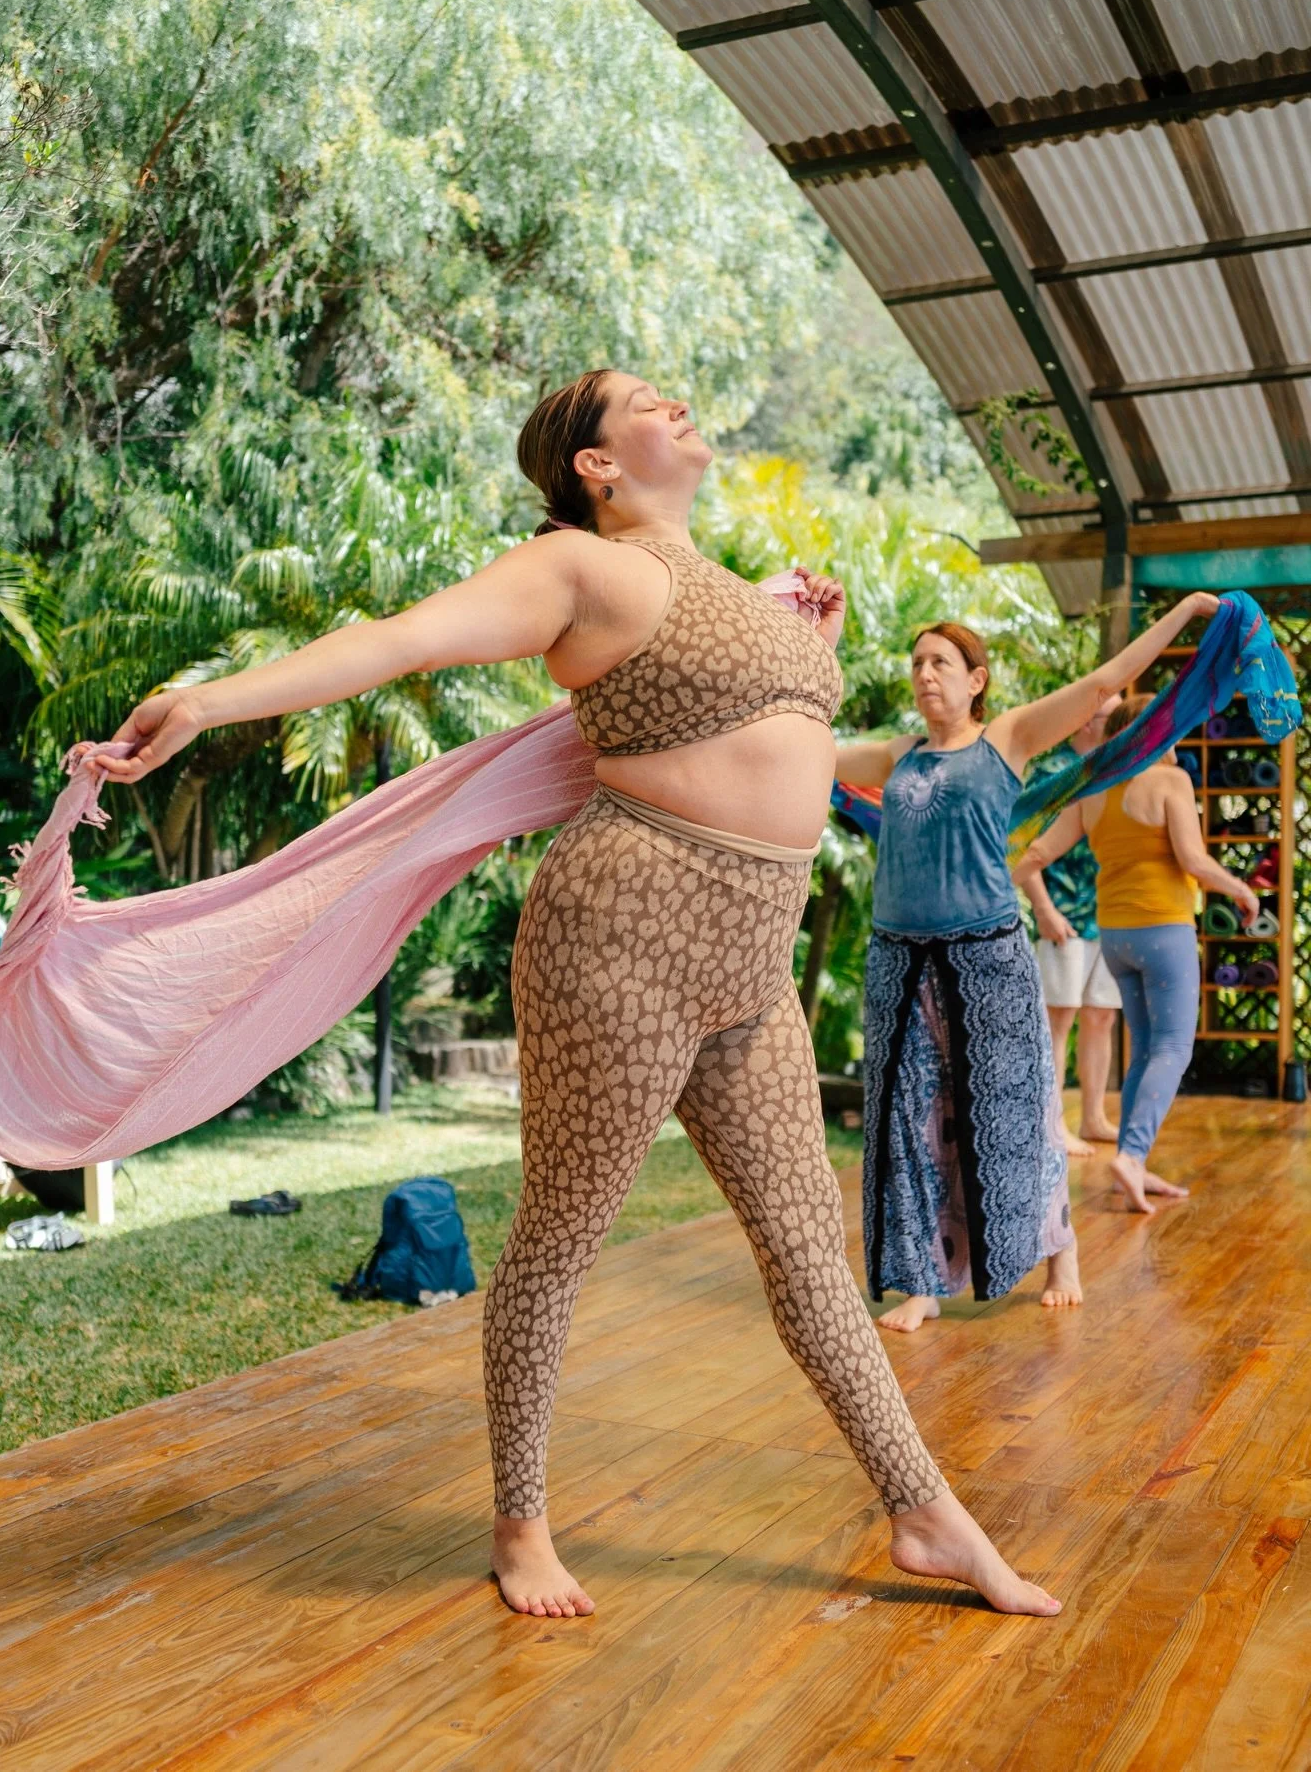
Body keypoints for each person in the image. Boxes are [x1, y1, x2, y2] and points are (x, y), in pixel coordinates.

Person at [86, 368, 1063, 1621]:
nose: (677, 406)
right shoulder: (581, 570)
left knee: (814, 1252)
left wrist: (799, 647)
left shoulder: (734, 587)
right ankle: (521, 1518)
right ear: (596, 466)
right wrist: (208, 701)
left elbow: (787, 749)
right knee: (559, 1236)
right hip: (624, 940)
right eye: (645, 402)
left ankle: (926, 1514)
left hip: (748, 967)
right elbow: (403, 640)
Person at [836, 599, 1220, 1334]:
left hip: (986, 962)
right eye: (916, 663)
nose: (923, 675)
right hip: (899, 962)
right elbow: (806, 752)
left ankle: (1059, 1251)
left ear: (976, 679)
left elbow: (1107, 678)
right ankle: (922, 1280)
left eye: (939, 663)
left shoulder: (1008, 739)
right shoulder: (897, 756)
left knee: (1014, 1116)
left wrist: (1187, 613)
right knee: (911, 1117)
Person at [1014, 692, 1258, 1213]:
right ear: (1153, 735)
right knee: (1173, 1047)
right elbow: (1192, 859)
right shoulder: (1170, 782)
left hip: (1116, 935)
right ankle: (1132, 1155)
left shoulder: (1093, 791)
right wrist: (1239, 887)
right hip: (1163, 929)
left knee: (1146, 1049)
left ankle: (1136, 1163)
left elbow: (1036, 853)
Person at [1021, 695, 1123, 1156]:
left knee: (1101, 1016)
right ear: (1087, 721)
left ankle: (1096, 1116)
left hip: (1107, 913)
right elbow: (1025, 846)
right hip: (1062, 913)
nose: (1121, 726)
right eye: (1113, 718)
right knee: (1058, 1018)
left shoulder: (1115, 769)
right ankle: (1052, 1124)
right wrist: (1043, 909)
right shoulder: (1052, 771)